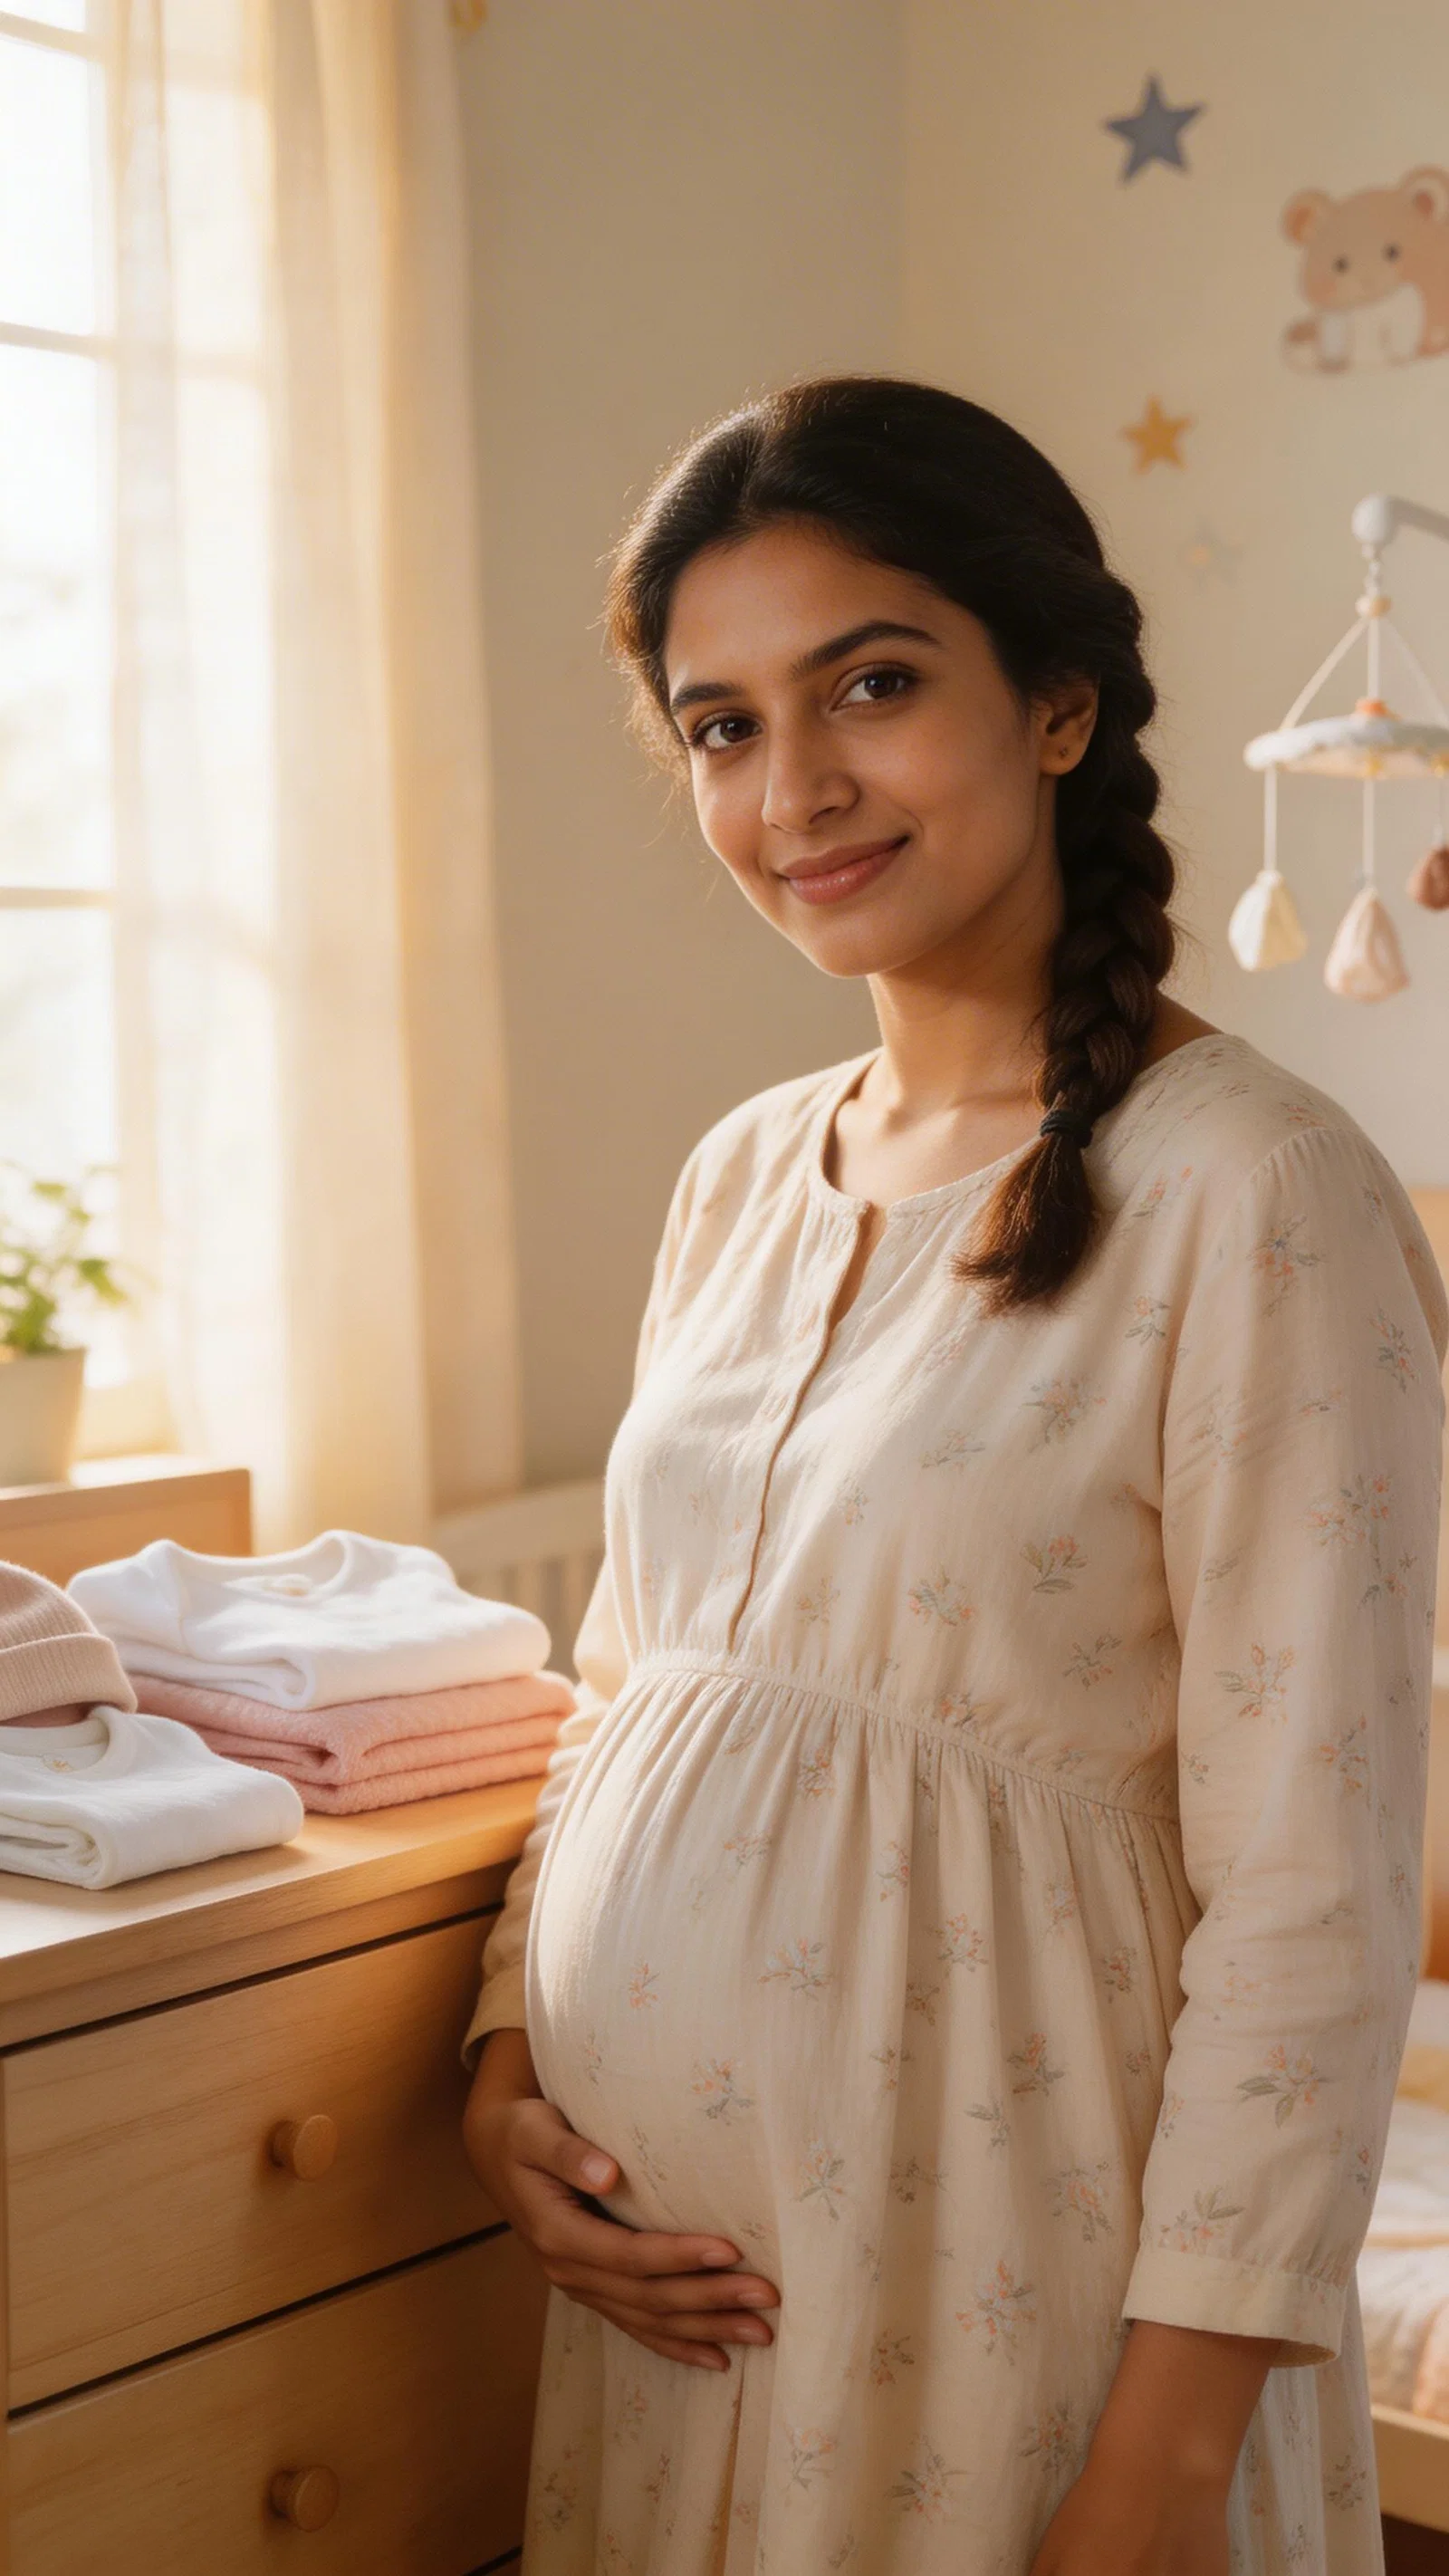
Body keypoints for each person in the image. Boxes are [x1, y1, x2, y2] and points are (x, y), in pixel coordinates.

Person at [461, 376, 1446, 2574]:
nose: (790, 787)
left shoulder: (1256, 1196)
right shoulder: (737, 1176)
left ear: (1059, 702)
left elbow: (1315, 1889)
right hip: (667, 2335)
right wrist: (505, 2075)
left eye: (870, 687)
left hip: (1022, 2313)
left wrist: (1161, 2465)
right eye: (718, 727)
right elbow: (631, 1685)